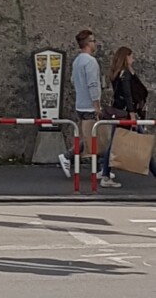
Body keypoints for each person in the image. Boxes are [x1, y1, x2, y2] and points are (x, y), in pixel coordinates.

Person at [100, 47, 154, 190]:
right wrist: (132, 113)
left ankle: (105, 173)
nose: (133, 59)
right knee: (143, 144)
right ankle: (105, 175)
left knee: (113, 144)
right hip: (126, 113)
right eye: (131, 57)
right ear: (126, 57)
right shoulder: (126, 74)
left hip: (118, 112)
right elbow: (128, 94)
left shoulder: (117, 73)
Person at [59, 28, 101, 180]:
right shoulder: (91, 61)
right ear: (88, 43)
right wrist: (97, 104)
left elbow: (72, 80)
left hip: (80, 104)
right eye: (93, 41)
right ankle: (68, 157)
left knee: (87, 137)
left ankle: (98, 168)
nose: (95, 44)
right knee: (91, 139)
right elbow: (93, 84)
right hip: (89, 105)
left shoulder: (77, 61)